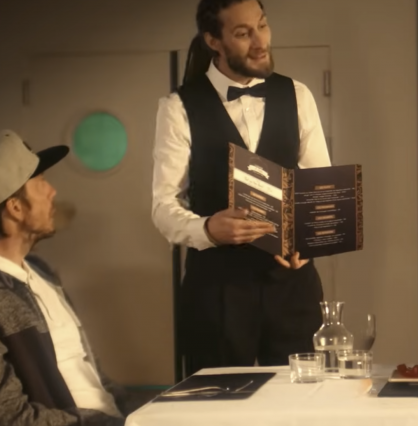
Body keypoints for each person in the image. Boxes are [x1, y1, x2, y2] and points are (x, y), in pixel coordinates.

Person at [151, 0, 331, 375]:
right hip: (216, 290)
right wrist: (206, 229)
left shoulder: (298, 95)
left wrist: (309, 242)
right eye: (243, 33)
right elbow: (163, 206)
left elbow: (320, 189)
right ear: (213, 41)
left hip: (292, 286)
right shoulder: (178, 107)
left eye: (262, 26)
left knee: (304, 400)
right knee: (218, 402)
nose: (260, 41)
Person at [0, 130, 132, 426]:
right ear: (15, 207)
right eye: (41, 181)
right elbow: (2, 417)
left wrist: (138, 414)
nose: (52, 191)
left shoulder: (40, 271)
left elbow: (92, 377)